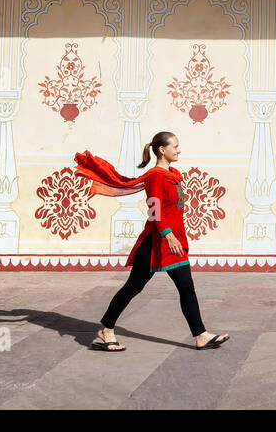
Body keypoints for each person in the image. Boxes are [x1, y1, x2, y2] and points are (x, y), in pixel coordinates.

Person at [74, 132, 229, 352]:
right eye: (175, 146)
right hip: (156, 243)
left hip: (172, 243)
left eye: (178, 146)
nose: (179, 150)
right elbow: (154, 209)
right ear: (161, 151)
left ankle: (201, 335)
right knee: (133, 287)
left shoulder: (172, 174)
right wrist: (168, 234)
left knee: (186, 287)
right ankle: (106, 329)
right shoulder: (156, 176)